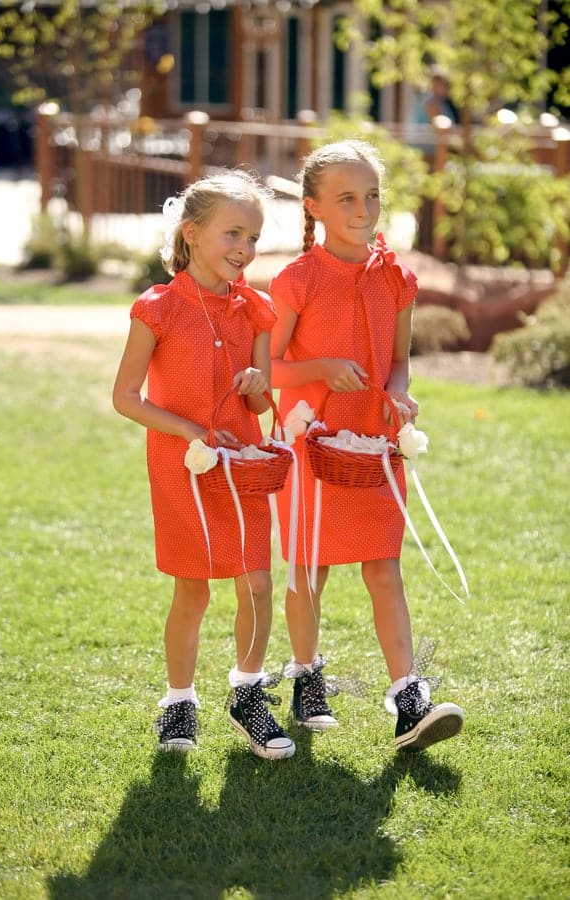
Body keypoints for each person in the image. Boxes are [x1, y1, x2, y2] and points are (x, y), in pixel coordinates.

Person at [269, 140, 464, 750]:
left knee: (384, 567)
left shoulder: (398, 278)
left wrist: (399, 396)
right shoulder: (295, 280)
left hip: (375, 444)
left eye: (372, 195)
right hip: (311, 443)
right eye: (347, 198)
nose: (363, 208)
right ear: (314, 208)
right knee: (311, 567)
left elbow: (399, 362)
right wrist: (323, 367)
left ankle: (408, 697)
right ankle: (306, 680)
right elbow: (268, 368)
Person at [113, 170, 295, 760]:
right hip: (182, 469)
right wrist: (187, 428)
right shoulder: (157, 308)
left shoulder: (258, 311)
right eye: (233, 234)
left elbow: (265, 404)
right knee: (192, 591)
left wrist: (258, 386)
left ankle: (247, 694)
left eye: (253, 238)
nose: (244, 250)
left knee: (258, 584)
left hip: (242, 466)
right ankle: (179, 699)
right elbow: (126, 397)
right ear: (191, 234)